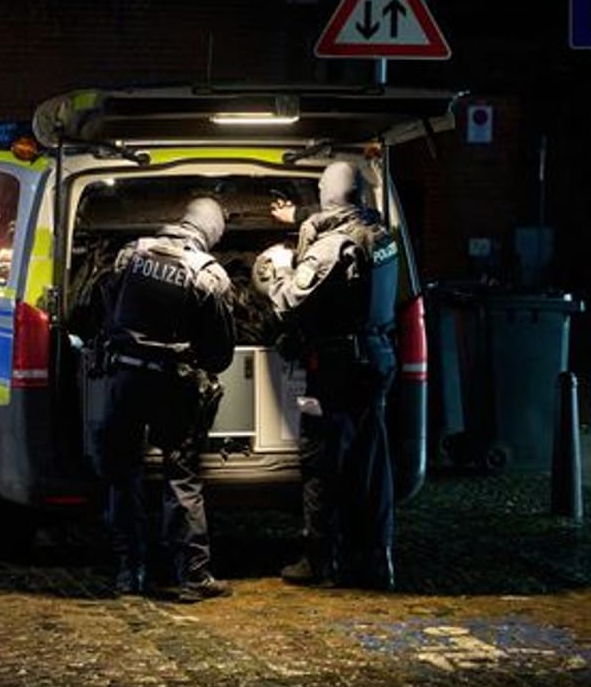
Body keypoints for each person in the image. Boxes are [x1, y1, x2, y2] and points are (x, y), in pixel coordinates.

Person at [255, 161, 398, 590]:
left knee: (322, 462)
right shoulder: (381, 236)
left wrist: (274, 270)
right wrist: (299, 220)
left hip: (336, 368)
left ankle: (319, 561)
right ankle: (376, 560)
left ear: (329, 192)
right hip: (376, 358)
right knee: (371, 465)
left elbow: (288, 302)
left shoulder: (331, 248)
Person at [93, 197, 236, 602]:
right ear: (210, 233)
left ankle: (129, 572)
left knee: (123, 474)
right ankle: (192, 576)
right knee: (182, 476)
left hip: (126, 380)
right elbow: (219, 355)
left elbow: (104, 311)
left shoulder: (130, 255)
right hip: (175, 386)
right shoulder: (208, 275)